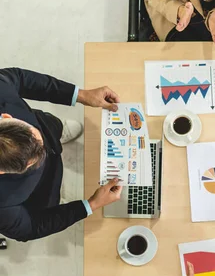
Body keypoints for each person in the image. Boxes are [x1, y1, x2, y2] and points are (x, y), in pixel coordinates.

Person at [0, 68, 123, 242]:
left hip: (47, 127)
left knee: (51, 127)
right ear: (2, 172)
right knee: (52, 199)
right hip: (41, 189)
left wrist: (80, 95)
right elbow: (31, 228)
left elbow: (20, 78)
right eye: (34, 161)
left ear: (6, 117)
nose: (44, 153)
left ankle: (58, 131)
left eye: (35, 136)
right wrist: (91, 205)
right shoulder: (3, 206)